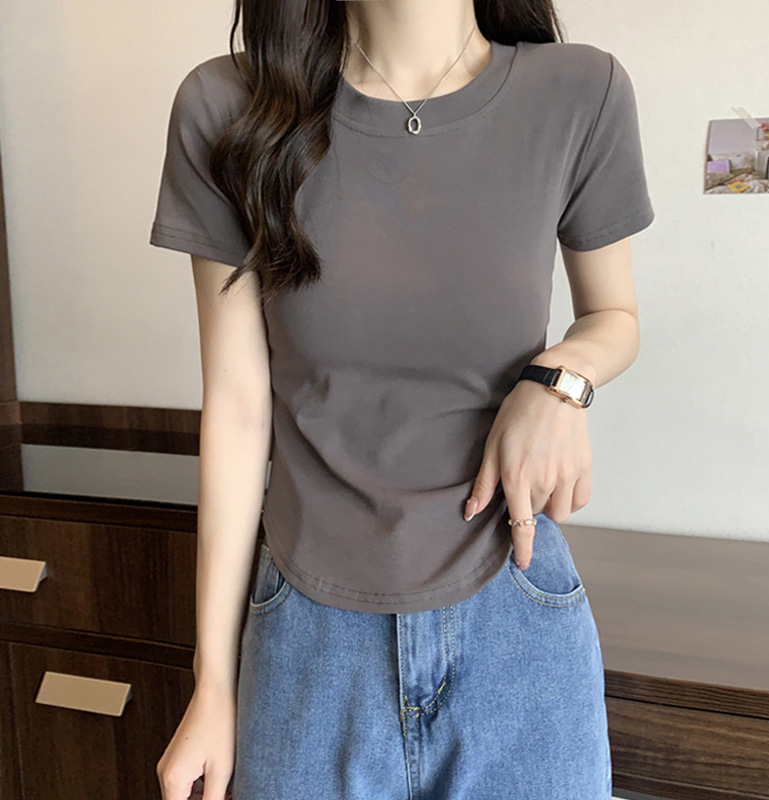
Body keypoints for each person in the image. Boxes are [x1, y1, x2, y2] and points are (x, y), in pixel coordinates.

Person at [149, 1, 655, 799]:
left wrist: (560, 383)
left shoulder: (580, 91)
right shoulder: (229, 107)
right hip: (307, 635)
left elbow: (613, 317)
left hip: (515, 611)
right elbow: (239, 407)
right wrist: (212, 683)